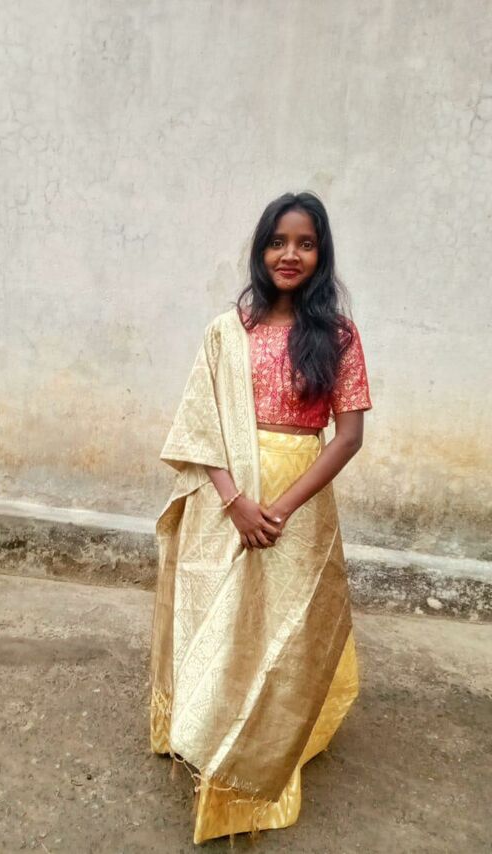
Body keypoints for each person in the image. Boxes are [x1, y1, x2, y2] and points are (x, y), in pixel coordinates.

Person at [149, 191, 372, 845]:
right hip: (227, 499)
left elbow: (348, 437)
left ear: (321, 254)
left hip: (298, 503)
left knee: (282, 631)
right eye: (278, 241)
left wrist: (281, 506)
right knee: (223, 623)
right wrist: (236, 502)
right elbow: (202, 427)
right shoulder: (228, 331)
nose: (289, 254)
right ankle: (207, 731)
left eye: (305, 243)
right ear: (260, 250)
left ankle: (262, 755)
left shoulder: (337, 336)